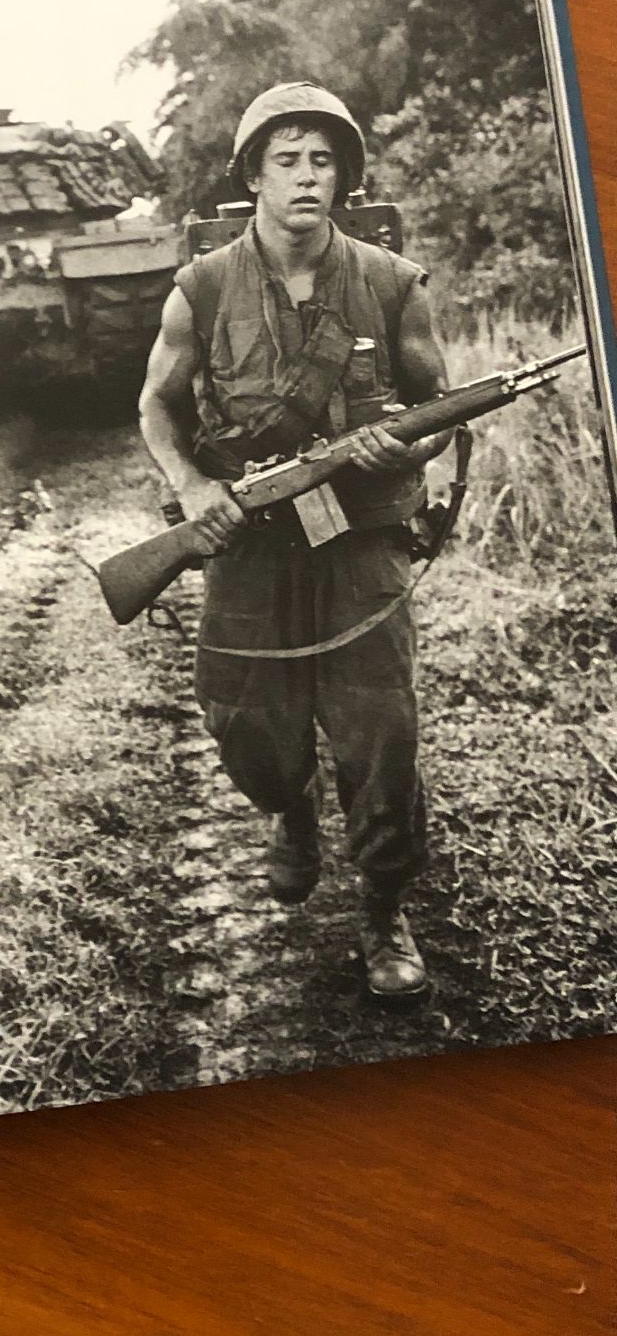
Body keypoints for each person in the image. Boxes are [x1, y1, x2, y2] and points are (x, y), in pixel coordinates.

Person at [137, 82, 452, 1003]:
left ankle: (385, 913)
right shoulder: (201, 286)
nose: (307, 177)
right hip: (251, 539)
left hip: (362, 536)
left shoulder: (393, 283)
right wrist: (193, 487)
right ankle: (290, 812)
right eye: (288, 160)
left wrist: (407, 438)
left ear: (344, 178)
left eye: (324, 161)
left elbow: (438, 408)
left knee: (382, 734)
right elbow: (157, 404)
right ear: (254, 176)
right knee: (245, 725)